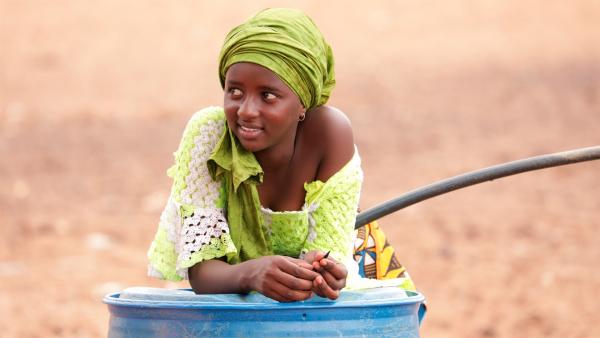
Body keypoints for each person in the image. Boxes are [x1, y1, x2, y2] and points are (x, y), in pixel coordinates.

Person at [147, 8, 417, 303]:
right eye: (235, 92)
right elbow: (203, 271)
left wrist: (324, 271)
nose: (246, 111)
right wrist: (250, 273)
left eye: (268, 95)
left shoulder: (329, 134)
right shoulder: (210, 135)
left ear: (303, 103)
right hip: (240, 291)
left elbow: (329, 260)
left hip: (354, 271)